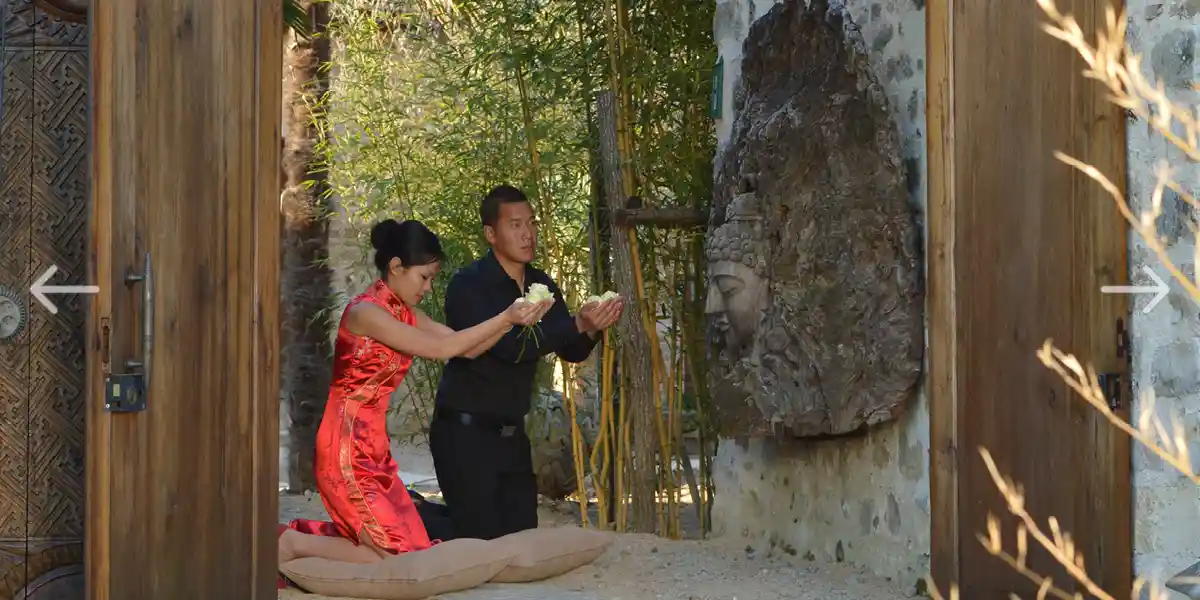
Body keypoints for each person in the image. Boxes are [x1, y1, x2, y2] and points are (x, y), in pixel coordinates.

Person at [276, 218, 552, 583]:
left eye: (432, 278)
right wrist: (504, 316)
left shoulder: (402, 311)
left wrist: (515, 322)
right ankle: (290, 543)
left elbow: (464, 348)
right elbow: (442, 349)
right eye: (424, 277)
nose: (428, 286)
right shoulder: (366, 313)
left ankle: (297, 543)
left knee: (413, 549)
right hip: (345, 449)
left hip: (373, 451)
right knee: (395, 556)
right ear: (395, 267)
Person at [430, 184, 624, 541]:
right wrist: (576, 323)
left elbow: (572, 350)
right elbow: (509, 348)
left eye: (531, 223)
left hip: (513, 436)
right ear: (491, 233)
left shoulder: (542, 283)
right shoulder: (469, 285)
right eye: (515, 224)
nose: (528, 233)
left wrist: (592, 328)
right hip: (463, 433)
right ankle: (406, 515)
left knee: (521, 536)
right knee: (476, 538)